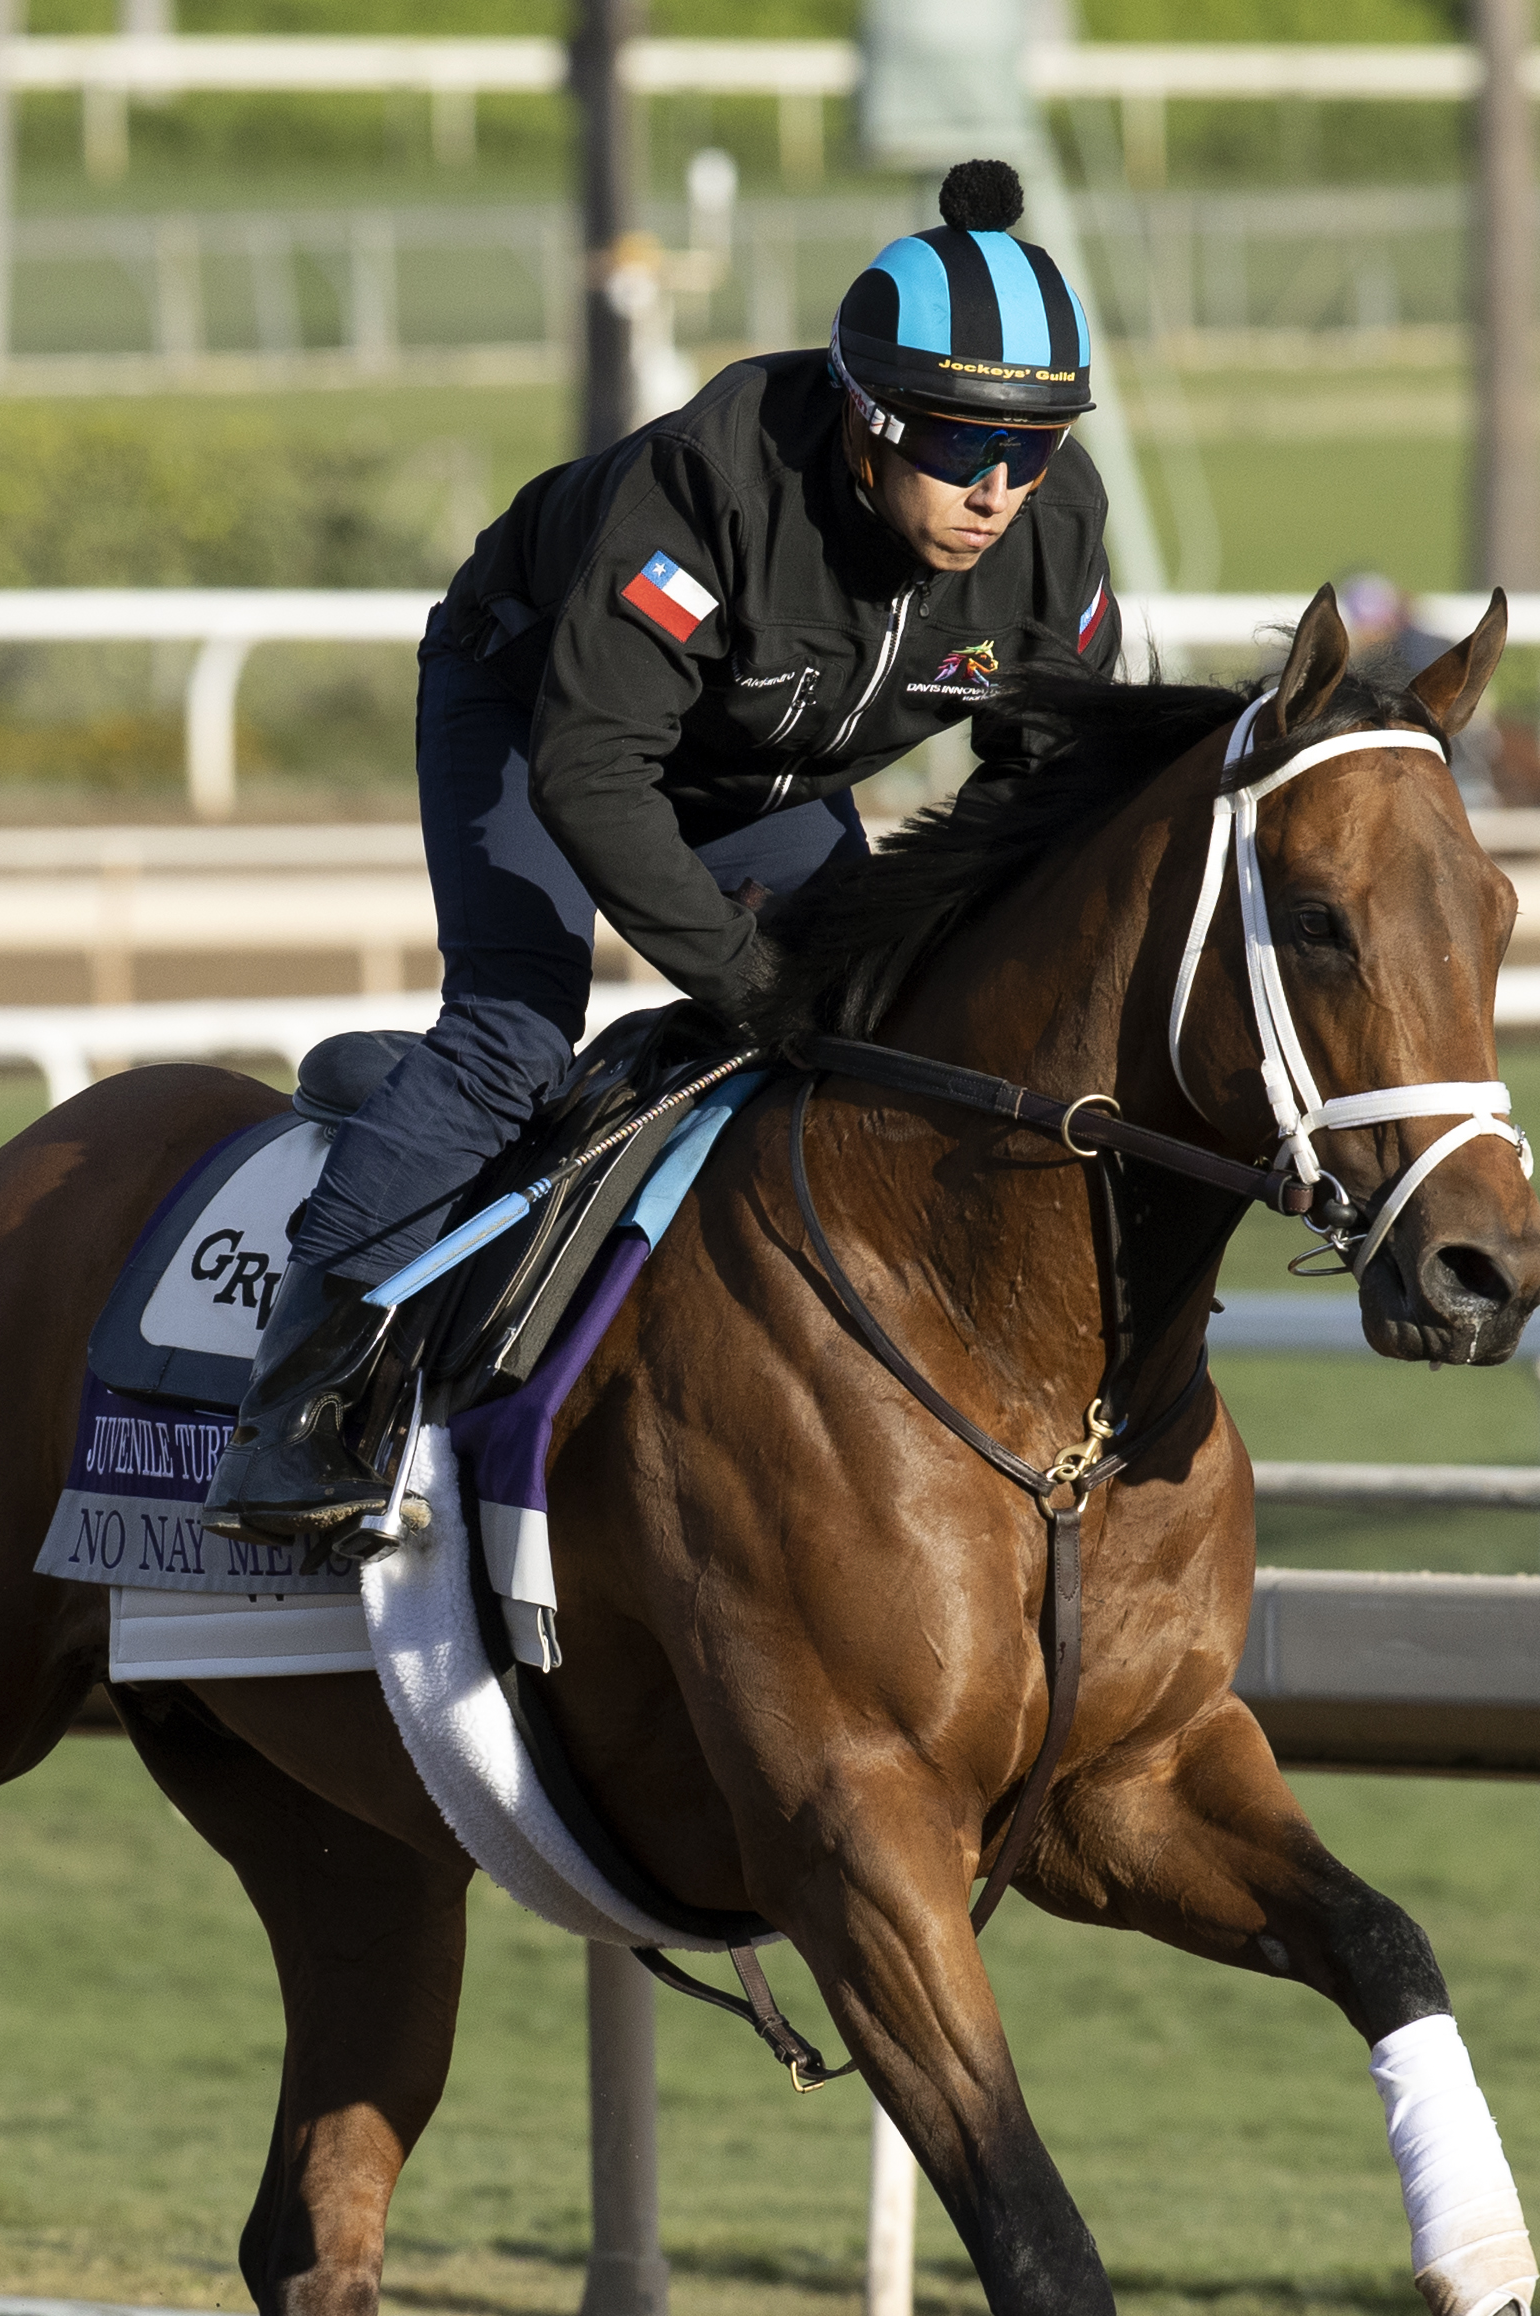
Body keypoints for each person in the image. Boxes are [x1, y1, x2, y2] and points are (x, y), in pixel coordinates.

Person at [202, 154, 1123, 1543]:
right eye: (955, 441)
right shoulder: (714, 483)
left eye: (1032, 445)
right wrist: (746, 977)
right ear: (868, 418)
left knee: (880, 1016)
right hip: (541, 709)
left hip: (757, 756)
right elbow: (592, 772)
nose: (996, 486)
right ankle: (299, 1396)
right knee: (519, 1028)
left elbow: (1052, 780)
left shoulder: (1054, 523)